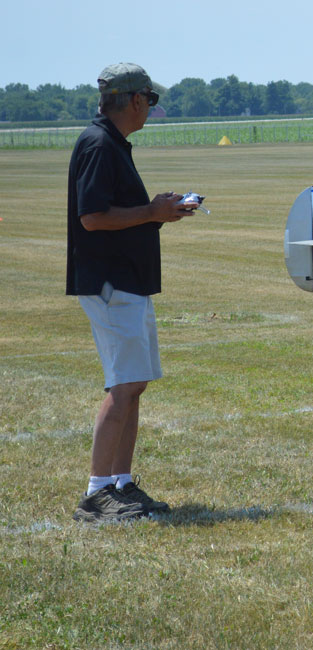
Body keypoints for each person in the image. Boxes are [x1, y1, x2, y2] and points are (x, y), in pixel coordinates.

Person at [67, 63, 197, 522]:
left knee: (134, 385)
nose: (151, 108)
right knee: (123, 387)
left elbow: (116, 211)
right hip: (110, 284)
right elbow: (92, 217)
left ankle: (121, 483)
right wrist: (150, 211)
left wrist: (158, 211)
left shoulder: (110, 143)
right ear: (136, 100)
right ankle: (97, 492)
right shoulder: (100, 144)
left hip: (126, 283)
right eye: (151, 100)